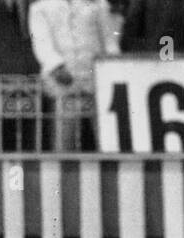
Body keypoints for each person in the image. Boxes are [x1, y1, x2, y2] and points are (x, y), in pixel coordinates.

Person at [28, 0, 121, 150]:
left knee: (107, 139)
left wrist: (113, 68)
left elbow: (109, 40)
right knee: (64, 141)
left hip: (97, 81)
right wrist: (56, 67)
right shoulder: (41, 6)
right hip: (62, 84)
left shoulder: (98, 4)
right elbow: (41, 42)